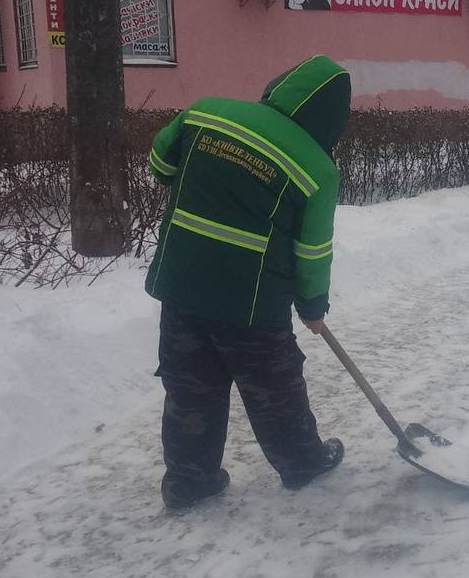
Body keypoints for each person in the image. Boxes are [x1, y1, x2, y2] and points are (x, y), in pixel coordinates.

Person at [145, 54, 352, 510]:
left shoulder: (205, 112)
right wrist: (312, 304)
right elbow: (312, 250)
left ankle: (189, 481)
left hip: (182, 283)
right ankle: (302, 462)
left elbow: (159, 163)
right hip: (252, 300)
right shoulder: (317, 168)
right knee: (273, 387)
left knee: (191, 385)